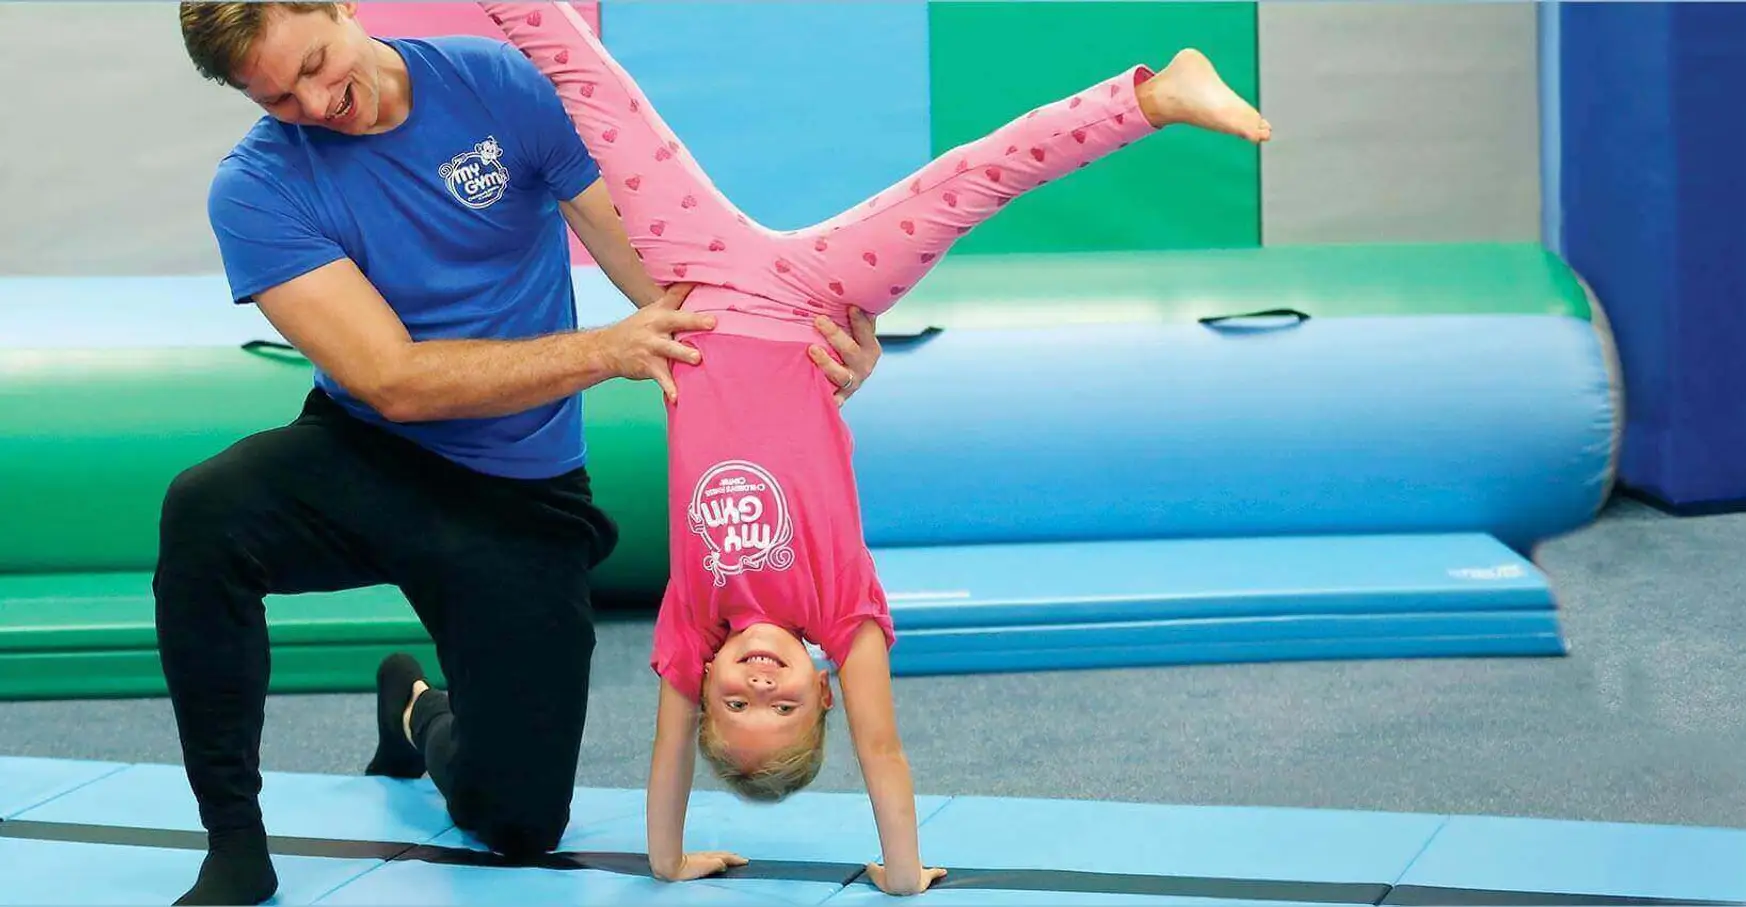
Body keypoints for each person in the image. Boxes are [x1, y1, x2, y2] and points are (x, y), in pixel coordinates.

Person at [455, 2, 1272, 896]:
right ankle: (1150, 99)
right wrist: (904, 872)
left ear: (704, 683)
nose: (758, 681)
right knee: (971, 181)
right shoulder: (845, 613)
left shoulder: (691, 620)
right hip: (816, 303)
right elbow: (882, 749)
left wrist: (667, 859)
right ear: (823, 690)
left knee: (600, 95)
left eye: (735, 702)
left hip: (700, 286)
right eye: (782, 703)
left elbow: (666, 753)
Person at [161, 3, 882, 904]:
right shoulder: (257, 187)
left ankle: (415, 706)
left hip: (522, 491)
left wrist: (808, 358)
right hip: (365, 456)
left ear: (340, 6)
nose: (313, 103)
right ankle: (234, 841)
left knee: (518, 822)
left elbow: (666, 284)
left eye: (313, 65)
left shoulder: (496, 85)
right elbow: (392, 380)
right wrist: (605, 352)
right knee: (204, 509)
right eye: (276, 97)